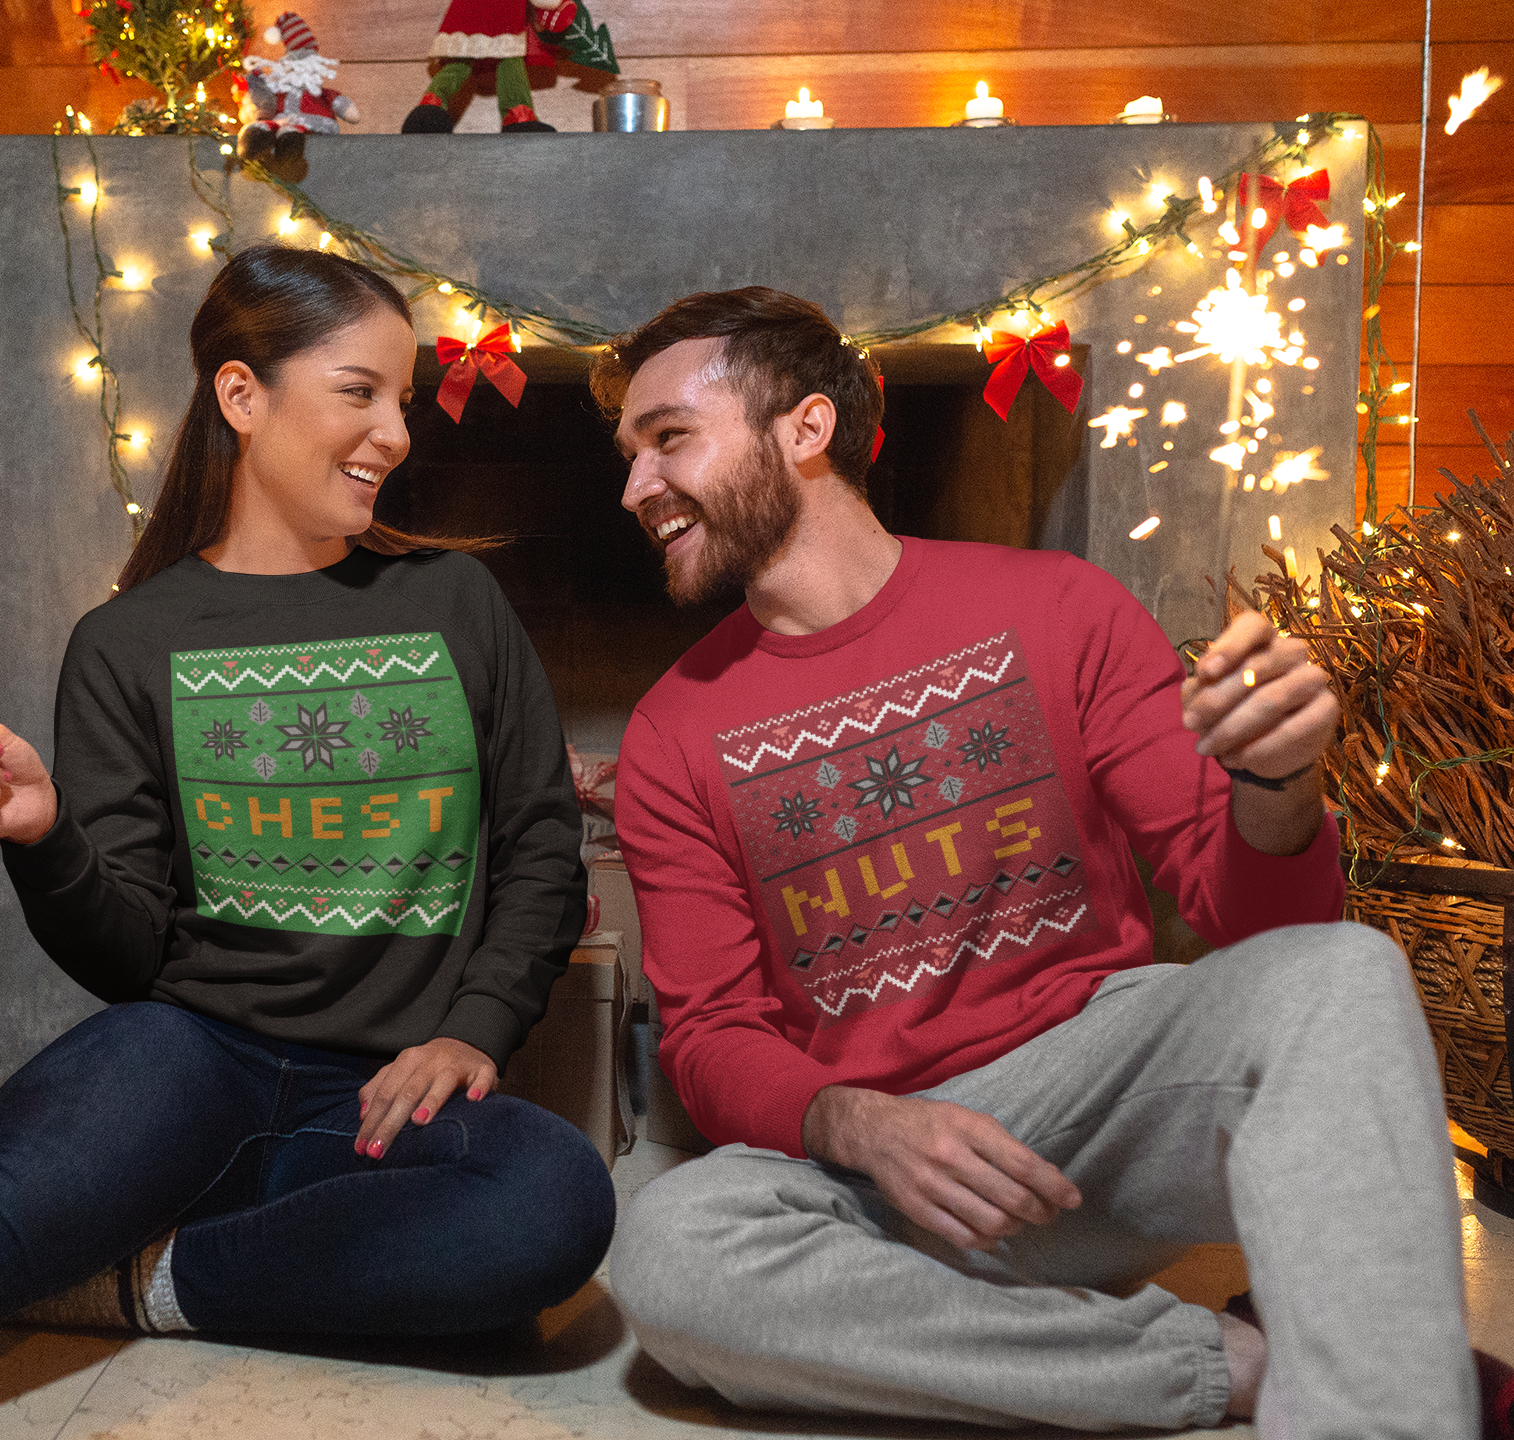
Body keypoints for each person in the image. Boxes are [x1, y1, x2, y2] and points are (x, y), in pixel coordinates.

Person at [0, 244, 615, 1440]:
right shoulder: (129, 641)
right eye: (359, 391)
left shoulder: (453, 603)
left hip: (381, 1102)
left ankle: (141, 1279)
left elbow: (541, 847)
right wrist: (45, 836)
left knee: (550, 1201)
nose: (394, 433)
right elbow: (131, 955)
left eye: (402, 398)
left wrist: (471, 1026)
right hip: (182, 1063)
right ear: (242, 395)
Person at [592, 286, 1510, 1438]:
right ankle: (1234, 1367)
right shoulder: (674, 733)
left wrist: (1277, 785)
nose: (635, 487)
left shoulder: (1057, 606)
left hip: (1109, 1107)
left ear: (806, 428)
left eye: (669, 437)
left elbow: (1262, 926)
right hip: (888, 1173)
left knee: (1342, 971)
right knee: (674, 1252)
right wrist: (861, 1126)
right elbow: (711, 1035)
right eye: (629, 455)